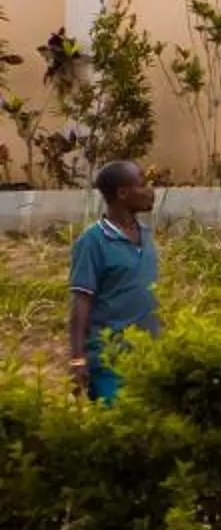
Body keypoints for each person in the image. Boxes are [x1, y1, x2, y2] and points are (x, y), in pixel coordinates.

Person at [67, 160, 160, 404]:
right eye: (142, 184)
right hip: (110, 360)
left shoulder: (145, 234)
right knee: (118, 422)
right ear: (122, 193)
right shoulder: (93, 242)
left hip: (148, 355)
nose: (150, 191)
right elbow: (81, 301)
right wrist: (77, 358)